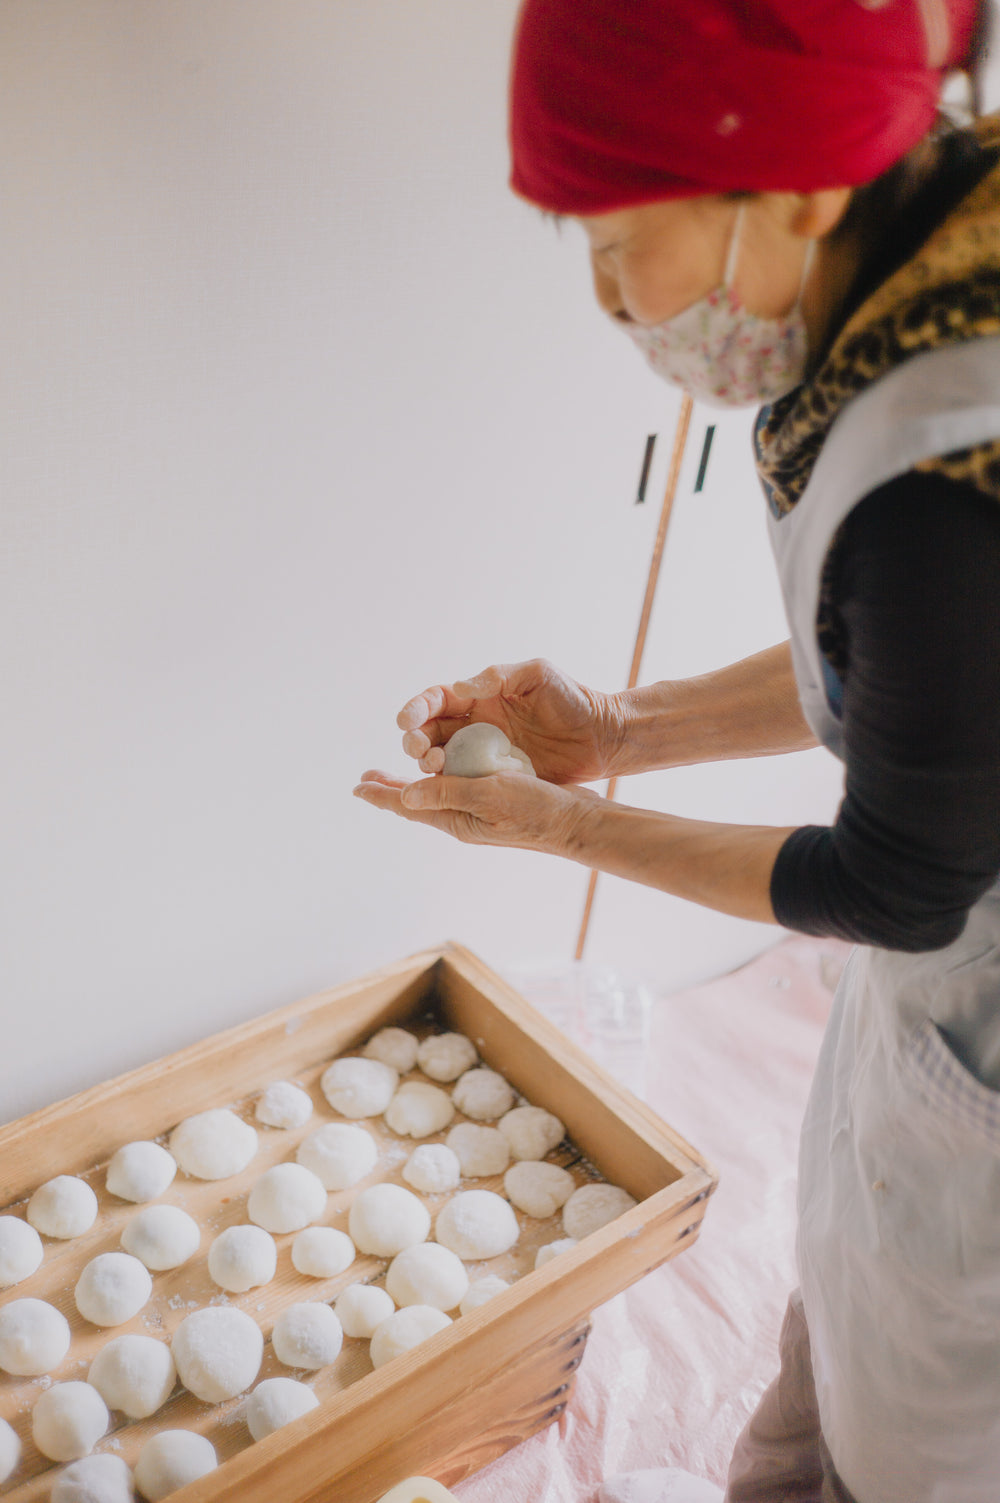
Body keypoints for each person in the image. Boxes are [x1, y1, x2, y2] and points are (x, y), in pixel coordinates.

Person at [355, 2, 1000, 1499]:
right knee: (834, 1357)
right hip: (943, 1001)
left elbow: (899, 877)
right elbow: (915, 677)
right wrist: (620, 732)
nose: (610, 298)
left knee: (919, 1437)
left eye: (607, 244)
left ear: (785, 189)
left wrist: (569, 835)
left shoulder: (947, 461)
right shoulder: (931, 239)